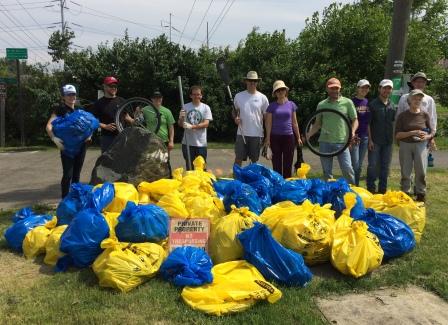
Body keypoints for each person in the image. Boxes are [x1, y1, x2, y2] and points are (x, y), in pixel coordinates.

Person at [306, 77, 358, 184]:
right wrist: (308, 135)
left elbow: (355, 120)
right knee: (327, 172)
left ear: (340, 89)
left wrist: (352, 132)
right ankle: (330, 194)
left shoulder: (347, 102)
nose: (334, 90)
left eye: (336, 88)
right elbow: (317, 124)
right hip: (325, 141)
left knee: (347, 169)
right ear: (327, 89)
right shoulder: (322, 104)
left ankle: (353, 192)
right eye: (332, 88)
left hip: (342, 141)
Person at [45, 85, 90, 198]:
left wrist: (89, 135)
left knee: (76, 174)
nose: (71, 97)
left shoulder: (80, 109)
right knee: (68, 174)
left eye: (73, 94)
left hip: (81, 146)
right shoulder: (60, 110)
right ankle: (64, 199)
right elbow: (49, 125)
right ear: (63, 97)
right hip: (67, 147)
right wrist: (53, 138)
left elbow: (88, 124)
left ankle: (74, 199)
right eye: (68, 94)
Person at [395, 89, 434, 202]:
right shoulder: (402, 116)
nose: (417, 101)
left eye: (419, 99)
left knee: (421, 171)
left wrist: (427, 137)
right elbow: (397, 135)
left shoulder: (424, 115)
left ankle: (421, 193)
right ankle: (405, 192)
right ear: (409, 100)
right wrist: (413, 132)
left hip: (421, 146)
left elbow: (431, 132)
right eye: (414, 98)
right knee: (406, 171)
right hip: (405, 145)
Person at [264, 80, 302, 178]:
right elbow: (268, 124)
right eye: (278, 90)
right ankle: (278, 184)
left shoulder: (291, 105)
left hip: (289, 137)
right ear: (275, 93)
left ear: (285, 91)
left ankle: (286, 186)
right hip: (275, 137)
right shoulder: (271, 106)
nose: (280, 92)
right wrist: (267, 138)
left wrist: (298, 137)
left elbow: (295, 122)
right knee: (276, 163)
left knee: (288, 163)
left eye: (282, 89)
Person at [233, 71, 269, 166]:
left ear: (257, 82)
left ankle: (252, 180)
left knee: (254, 161)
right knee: (238, 159)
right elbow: (234, 111)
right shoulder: (238, 96)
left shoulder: (263, 98)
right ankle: (236, 180)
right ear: (246, 81)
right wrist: (235, 118)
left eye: (255, 81)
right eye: (250, 80)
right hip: (241, 133)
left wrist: (267, 135)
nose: (252, 82)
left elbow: (267, 118)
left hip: (257, 134)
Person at [366, 79, 396, 194]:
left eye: (389, 88)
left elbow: (393, 123)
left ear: (391, 90)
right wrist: (370, 140)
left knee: (385, 166)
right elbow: (368, 124)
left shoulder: (392, 105)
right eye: (384, 88)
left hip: (388, 141)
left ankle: (382, 190)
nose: (387, 90)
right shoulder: (372, 104)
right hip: (375, 141)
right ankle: (371, 189)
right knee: (372, 165)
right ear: (379, 89)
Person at [397, 72, 437, 150]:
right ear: (413, 83)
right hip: (405, 137)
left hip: (423, 137)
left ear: (425, 83)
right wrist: (398, 136)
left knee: (421, 161)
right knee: (406, 161)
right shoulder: (404, 98)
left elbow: (432, 120)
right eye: (417, 81)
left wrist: (431, 137)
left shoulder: (429, 99)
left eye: (422, 82)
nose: (420, 84)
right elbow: (398, 117)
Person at [178, 85, 213, 170]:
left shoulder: (205, 107)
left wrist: (192, 126)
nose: (196, 96)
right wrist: (182, 118)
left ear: (201, 95)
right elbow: (180, 124)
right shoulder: (185, 107)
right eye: (194, 94)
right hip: (187, 143)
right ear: (190, 96)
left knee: (201, 167)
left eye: (198, 94)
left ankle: (202, 183)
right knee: (189, 167)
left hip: (201, 143)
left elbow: (206, 123)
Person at [144, 90, 175, 176]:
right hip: (151, 140)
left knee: (165, 161)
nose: (157, 99)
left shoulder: (167, 111)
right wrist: (136, 112)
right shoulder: (145, 110)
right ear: (151, 99)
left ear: (162, 99)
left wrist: (171, 141)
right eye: (155, 98)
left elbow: (171, 127)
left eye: (159, 98)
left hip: (164, 140)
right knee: (151, 162)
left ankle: (169, 179)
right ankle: (152, 180)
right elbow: (137, 121)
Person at [92, 76, 125, 153]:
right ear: (105, 87)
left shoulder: (122, 100)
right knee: (106, 162)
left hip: (122, 136)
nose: (114, 88)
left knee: (122, 162)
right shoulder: (98, 103)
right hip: (107, 138)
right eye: (111, 86)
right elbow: (92, 120)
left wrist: (134, 120)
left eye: (115, 86)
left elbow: (126, 116)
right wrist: (105, 126)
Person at [349, 79, 371, 186]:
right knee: (355, 164)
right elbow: (348, 120)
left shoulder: (367, 102)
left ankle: (356, 186)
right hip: (355, 137)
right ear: (357, 88)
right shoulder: (351, 102)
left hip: (365, 137)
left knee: (360, 164)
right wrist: (350, 135)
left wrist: (370, 138)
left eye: (366, 87)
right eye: (362, 87)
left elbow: (368, 122)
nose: (364, 89)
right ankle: (352, 185)